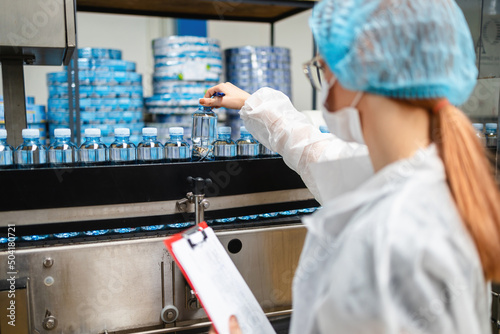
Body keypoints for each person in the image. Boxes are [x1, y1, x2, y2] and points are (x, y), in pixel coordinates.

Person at [203, 0, 500, 333]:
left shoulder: (398, 235)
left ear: (361, 70)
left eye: (322, 68)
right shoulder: (425, 177)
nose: (324, 83)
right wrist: (254, 105)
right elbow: (321, 156)